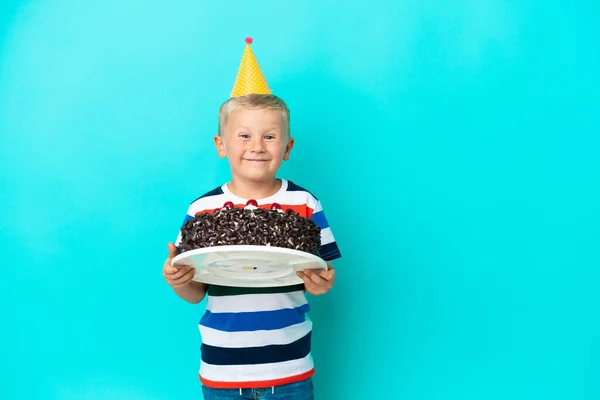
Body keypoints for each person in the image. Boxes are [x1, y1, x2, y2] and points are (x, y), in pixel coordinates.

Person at [162, 39, 342, 400]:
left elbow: (316, 276)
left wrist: (321, 285)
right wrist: (178, 280)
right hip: (222, 369)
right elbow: (196, 292)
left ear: (287, 147)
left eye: (270, 136)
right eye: (244, 135)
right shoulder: (202, 210)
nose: (257, 146)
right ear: (221, 144)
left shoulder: (304, 203)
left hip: (290, 368)